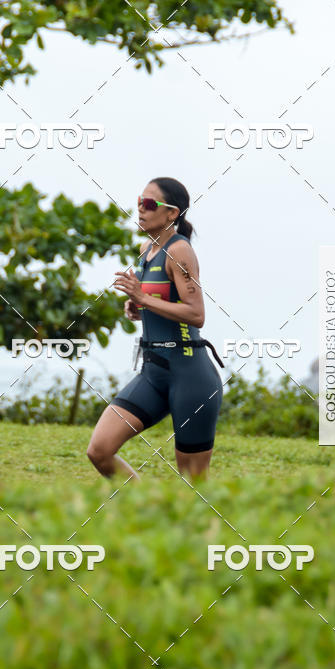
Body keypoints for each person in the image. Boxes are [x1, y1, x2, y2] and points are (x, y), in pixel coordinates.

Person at [87, 177, 223, 480]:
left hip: (190, 374)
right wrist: (137, 307)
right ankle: (148, 507)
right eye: (139, 202)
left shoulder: (180, 251)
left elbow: (196, 314)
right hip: (153, 372)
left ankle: (203, 526)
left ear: (172, 213)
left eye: (149, 204)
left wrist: (142, 297)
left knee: (193, 484)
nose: (140, 209)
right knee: (99, 450)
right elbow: (160, 300)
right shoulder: (145, 248)